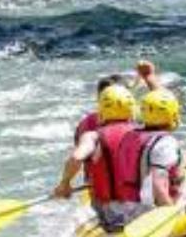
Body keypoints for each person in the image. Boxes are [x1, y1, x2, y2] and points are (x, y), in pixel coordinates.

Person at [53, 82, 138, 227]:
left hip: (111, 213)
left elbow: (76, 158)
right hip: (146, 209)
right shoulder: (146, 133)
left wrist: (65, 183)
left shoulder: (93, 136)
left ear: (101, 110)